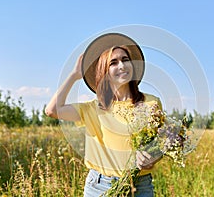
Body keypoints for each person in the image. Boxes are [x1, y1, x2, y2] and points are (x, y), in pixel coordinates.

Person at [45, 33, 162, 196]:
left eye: (125, 59)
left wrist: (153, 157)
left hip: (140, 186)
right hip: (100, 186)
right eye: (113, 63)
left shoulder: (151, 103)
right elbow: (52, 110)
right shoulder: (93, 108)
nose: (121, 66)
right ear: (104, 72)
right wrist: (74, 76)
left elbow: (160, 143)